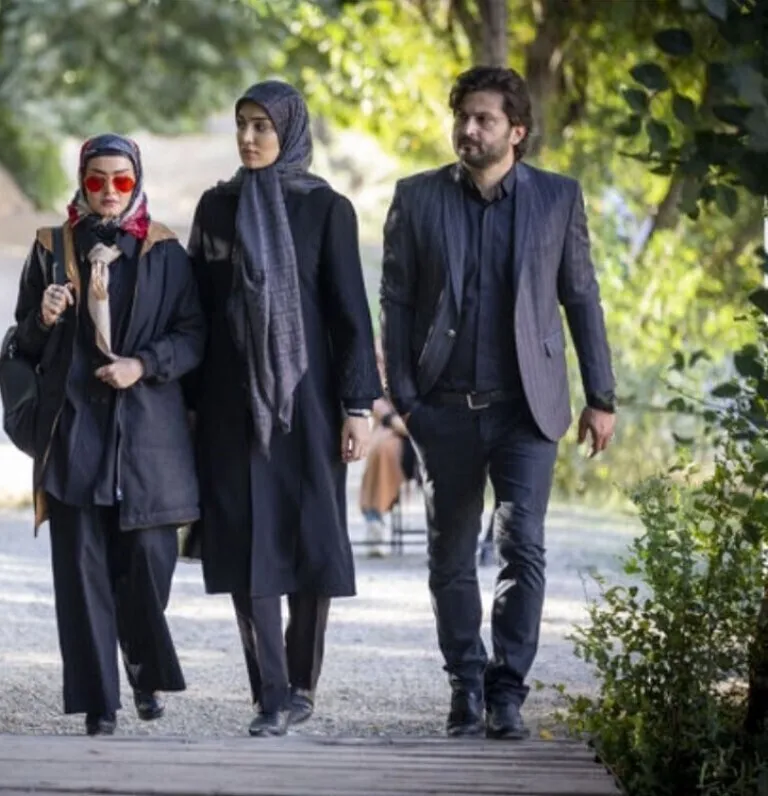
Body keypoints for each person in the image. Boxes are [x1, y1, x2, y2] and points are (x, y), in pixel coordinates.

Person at [379, 65, 617, 740]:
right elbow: (395, 300)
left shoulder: (557, 198)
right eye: (462, 117)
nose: (468, 129)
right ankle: (466, 682)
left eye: (483, 118)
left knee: (523, 547)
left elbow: (581, 298)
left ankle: (508, 691)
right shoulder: (417, 198)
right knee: (450, 556)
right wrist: (406, 397)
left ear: (516, 130)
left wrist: (600, 396)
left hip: (527, 410)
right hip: (443, 407)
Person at [186, 80, 382, 737]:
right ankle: (269, 694)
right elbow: (196, 312)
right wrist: (187, 406)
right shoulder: (216, 208)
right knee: (245, 542)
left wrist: (359, 407)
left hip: (311, 404)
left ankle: (302, 684)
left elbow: (351, 316)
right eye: (241, 124)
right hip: (229, 403)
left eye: (262, 126)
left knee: (312, 539)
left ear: (290, 131)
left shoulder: (326, 209)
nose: (248, 138)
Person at [9, 133, 203, 736]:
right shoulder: (50, 248)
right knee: (81, 569)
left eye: (122, 180)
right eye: (97, 180)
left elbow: (194, 335)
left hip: (147, 437)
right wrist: (43, 318)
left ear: (137, 180)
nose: (110, 191)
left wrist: (142, 365)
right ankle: (100, 705)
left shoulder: (165, 250)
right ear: (82, 181)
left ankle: (142, 667)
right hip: (74, 432)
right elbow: (22, 342)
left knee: (148, 560)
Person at [358, 345, 417, 556]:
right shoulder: (375, 362)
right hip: (395, 431)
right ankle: (374, 518)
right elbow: (377, 405)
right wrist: (396, 422)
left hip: (424, 426)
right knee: (383, 447)